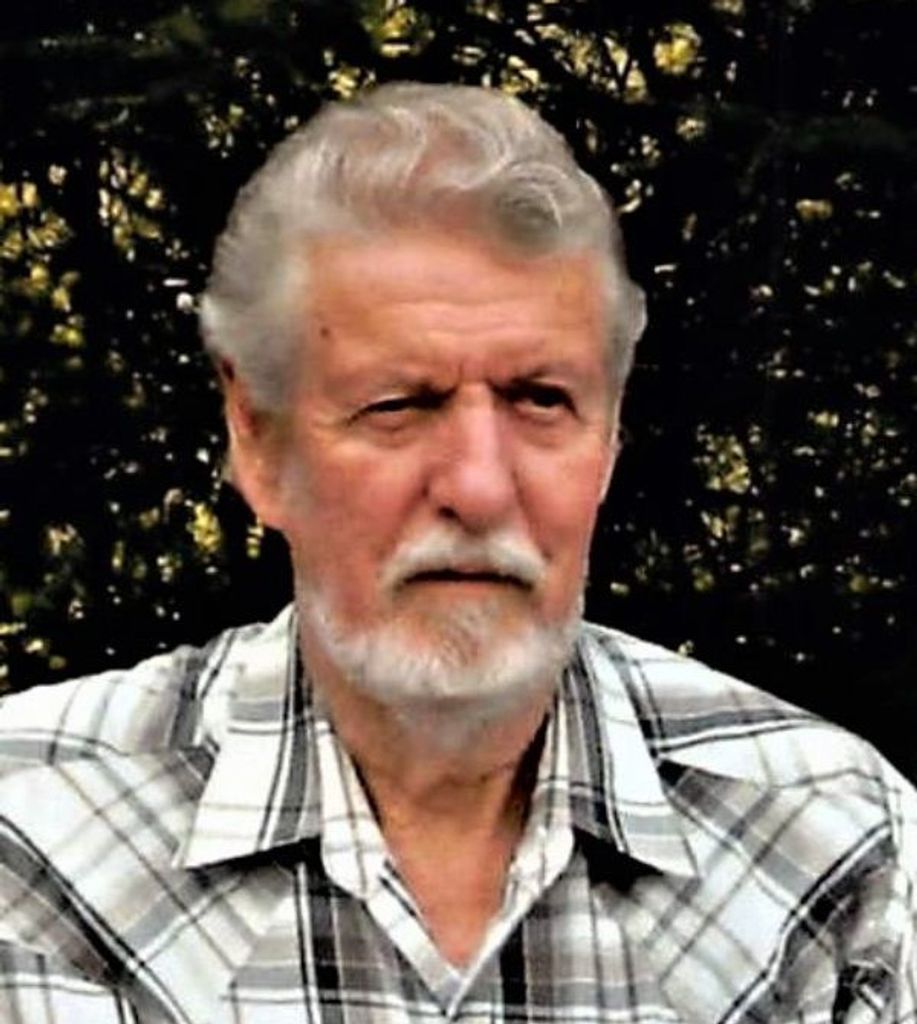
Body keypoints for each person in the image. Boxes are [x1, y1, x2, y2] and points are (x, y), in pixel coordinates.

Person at [0, 82, 914, 1024]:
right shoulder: (34, 838)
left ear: (608, 439)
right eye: (398, 404)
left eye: (541, 400)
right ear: (258, 443)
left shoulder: (831, 841)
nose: (478, 487)